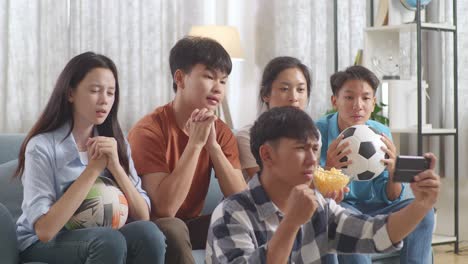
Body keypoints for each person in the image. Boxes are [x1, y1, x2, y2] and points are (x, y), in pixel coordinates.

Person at [206, 106, 440, 264]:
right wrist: (290, 224)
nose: (312, 160)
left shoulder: (319, 207)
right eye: (300, 149)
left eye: (315, 149)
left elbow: (376, 233)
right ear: (266, 154)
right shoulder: (231, 214)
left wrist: (420, 204)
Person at [14, 52, 166, 264]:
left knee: (148, 233)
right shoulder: (40, 147)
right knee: (109, 240)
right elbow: (45, 230)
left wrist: (115, 166)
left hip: (102, 235)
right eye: (95, 90)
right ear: (70, 93)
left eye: (111, 93)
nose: (104, 100)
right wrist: (93, 170)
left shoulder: (116, 142)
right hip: (42, 243)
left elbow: (142, 216)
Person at [128, 36, 247, 264]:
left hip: (190, 224)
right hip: (152, 227)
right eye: (209, 76)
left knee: (245, 217)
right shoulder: (149, 130)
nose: (217, 88)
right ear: (180, 78)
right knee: (174, 227)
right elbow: (164, 209)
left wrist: (212, 146)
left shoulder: (220, 131)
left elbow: (241, 199)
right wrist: (195, 144)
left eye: (223, 81)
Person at [316, 65, 435, 263]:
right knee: (352, 221)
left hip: (377, 207)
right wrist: (329, 168)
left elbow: (391, 196)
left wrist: (395, 173)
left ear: (373, 103)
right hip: (343, 206)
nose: (358, 105)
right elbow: (317, 198)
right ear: (335, 101)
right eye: (349, 97)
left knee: (424, 212)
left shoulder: (381, 133)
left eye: (365, 98)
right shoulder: (317, 133)